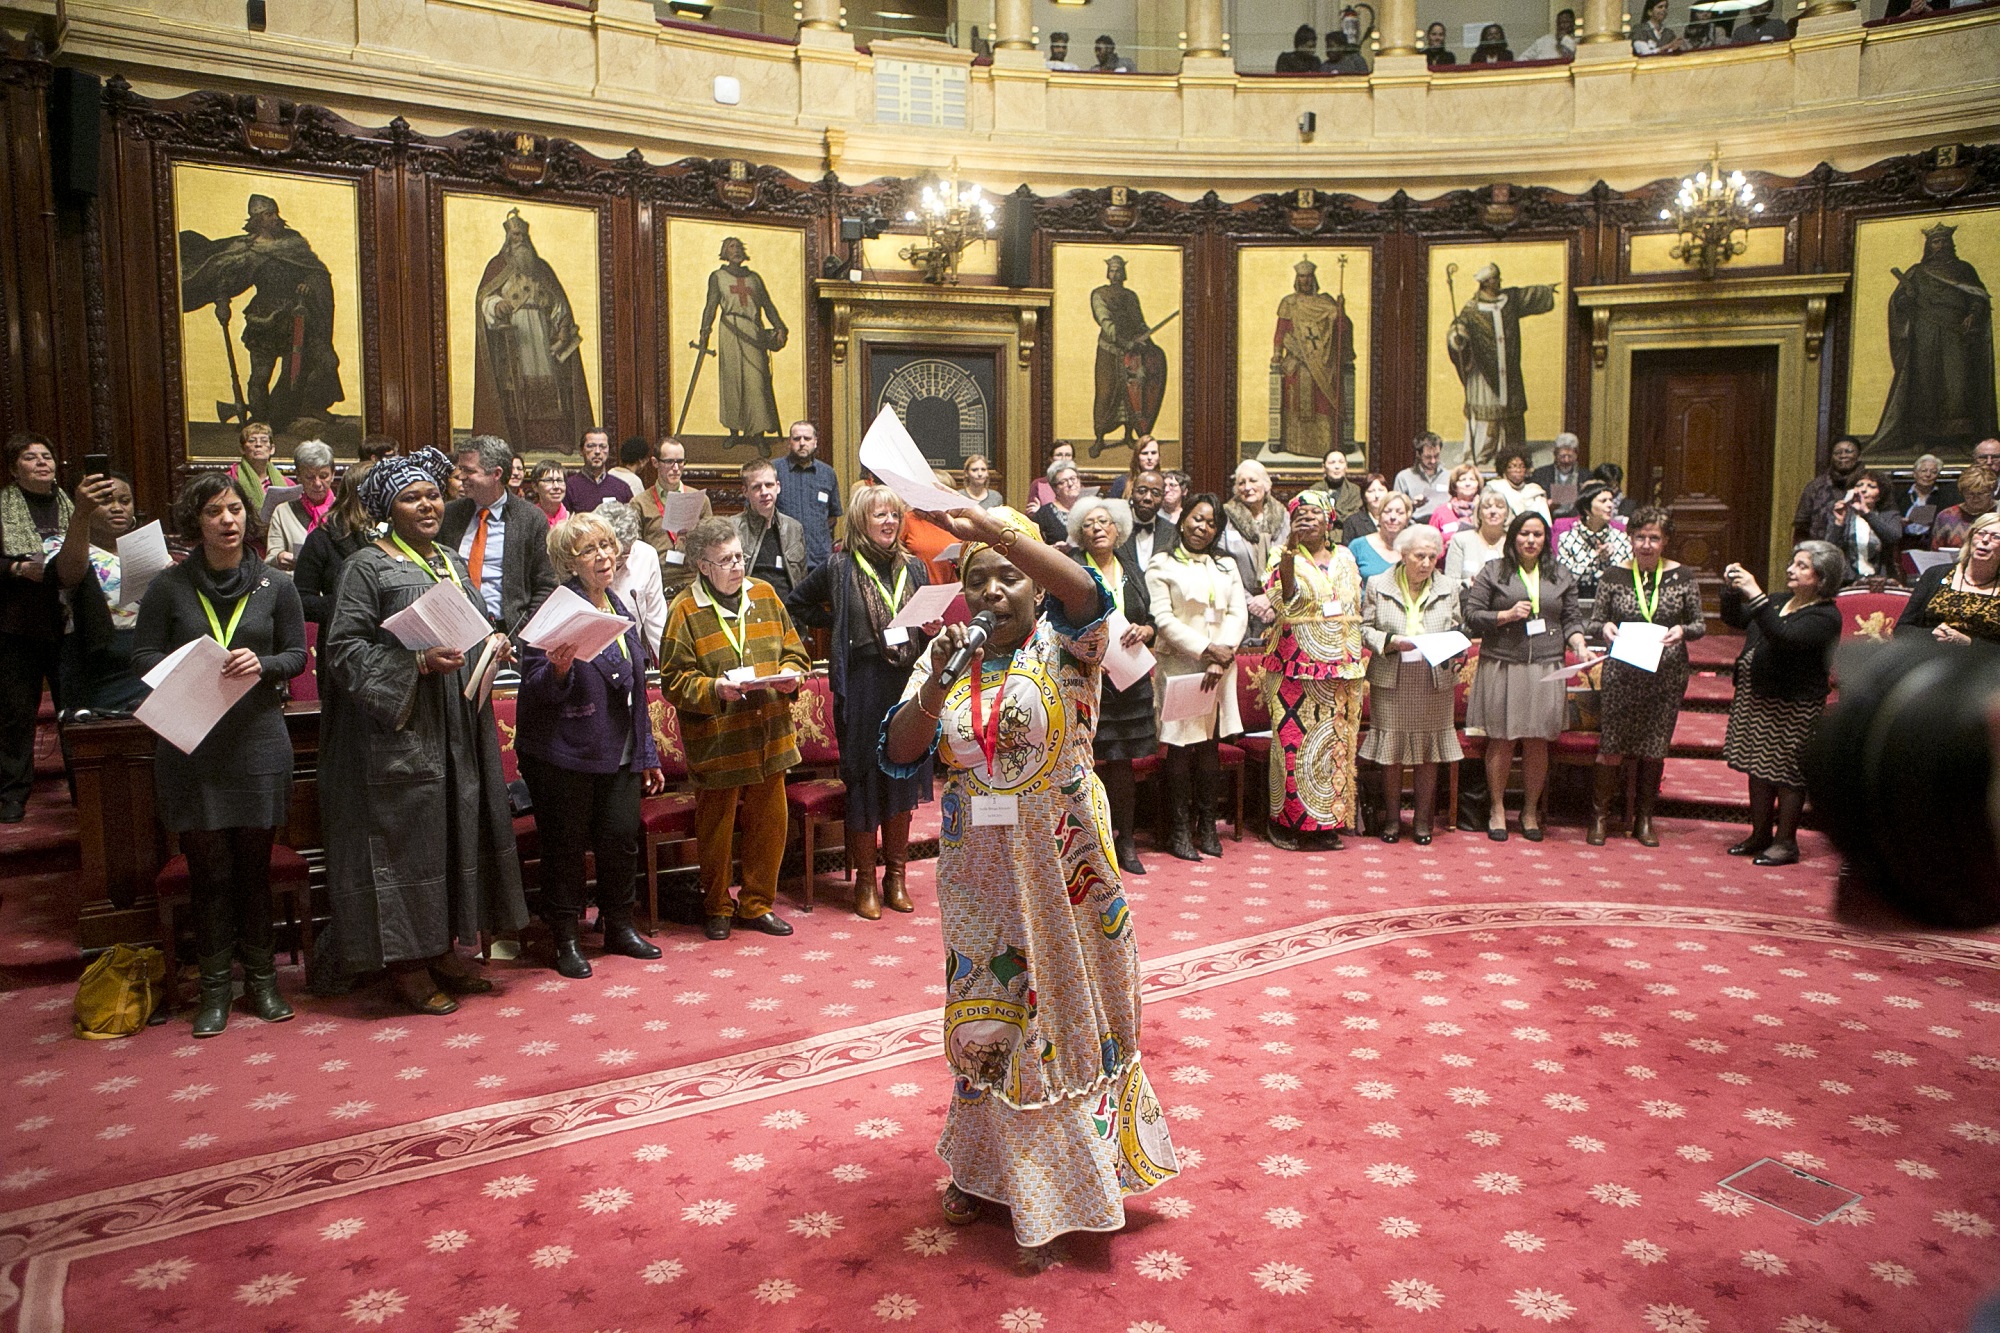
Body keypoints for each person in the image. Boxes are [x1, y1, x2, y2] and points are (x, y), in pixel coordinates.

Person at [880, 503, 1177, 1252]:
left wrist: (996, 531)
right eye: (977, 580)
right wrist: (933, 681)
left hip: (1065, 867)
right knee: (986, 1006)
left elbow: (1089, 592)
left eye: (1009, 576)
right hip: (977, 871)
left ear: (1035, 585)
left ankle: (1075, 1178)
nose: (993, 591)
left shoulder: (1070, 641)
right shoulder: (951, 652)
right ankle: (984, 1171)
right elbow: (899, 748)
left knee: (1073, 1014)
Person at [317, 448, 527, 1014]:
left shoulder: (451, 562)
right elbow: (341, 650)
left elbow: (472, 627)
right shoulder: (366, 565)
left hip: (458, 724)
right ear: (390, 508)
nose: (428, 504)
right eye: (412, 498)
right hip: (401, 732)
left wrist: (493, 643)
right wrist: (412, 664)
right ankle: (407, 964)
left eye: (433, 494)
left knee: (454, 835)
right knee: (410, 846)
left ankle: (441, 950)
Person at [132, 472, 307, 1035]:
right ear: (196, 522)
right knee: (208, 874)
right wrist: (185, 667)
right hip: (194, 741)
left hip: (256, 740)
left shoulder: (276, 584)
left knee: (253, 871)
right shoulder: (169, 586)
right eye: (215, 512)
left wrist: (264, 664)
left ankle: (262, 982)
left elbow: (297, 655)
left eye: (235, 510)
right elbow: (141, 654)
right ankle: (214, 990)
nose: (228, 520)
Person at [516, 513, 665, 978]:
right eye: (589, 551)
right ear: (569, 562)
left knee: (620, 839)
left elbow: (637, 687)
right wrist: (558, 670)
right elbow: (533, 684)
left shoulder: (619, 604)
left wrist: (646, 752)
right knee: (566, 846)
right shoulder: (557, 608)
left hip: (616, 748)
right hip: (564, 753)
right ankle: (566, 938)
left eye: (607, 546)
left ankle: (619, 925)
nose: (603, 556)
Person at [786, 485, 937, 919]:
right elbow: (796, 602)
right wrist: (839, 622)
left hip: (908, 684)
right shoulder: (839, 566)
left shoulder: (916, 568)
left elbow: (926, 625)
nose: (889, 522)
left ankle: (896, 878)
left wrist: (929, 628)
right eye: (879, 516)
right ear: (860, 522)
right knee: (866, 783)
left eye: (894, 514)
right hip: (863, 685)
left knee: (902, 780)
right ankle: (866, 885)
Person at [661, 517, 813, 940]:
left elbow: (796, 653)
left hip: (770, 733)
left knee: (770, 823)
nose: (736, 566)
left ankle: (757, 904)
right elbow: (673, 681)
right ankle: (717, 907)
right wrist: (715, 688)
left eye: (738, 556)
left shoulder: (765, 595)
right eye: (725, 560)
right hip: (719, 740)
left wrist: (790, 673)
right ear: (703, 567)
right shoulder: (683, 612)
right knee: (717, 830)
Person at [1464, 511, 1588, 841]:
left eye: (1537, 534)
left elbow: (1572, 619)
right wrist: (1504, 615)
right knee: (1502, 739)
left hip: (1547, 664)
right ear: (1513, 537)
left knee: (1537, 741)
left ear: (1546, 539)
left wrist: (1579, 644)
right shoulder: (1494, 571)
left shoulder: (1561, 574)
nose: (1530, 540)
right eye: (1524, 534)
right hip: (1504, 662)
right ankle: (1497, 808)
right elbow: (1472, 615)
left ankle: (1530, 810)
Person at [1586, 507, 1705, 846]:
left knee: (1654, 747)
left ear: (1666, 541)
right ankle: (1600, 816)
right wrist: (1605, 628)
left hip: (1666, 672)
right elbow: (1596, 621)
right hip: (1622, 671)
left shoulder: (1683, 576)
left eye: (1654, 538)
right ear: (1630, 538)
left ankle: (1644, 818)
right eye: (1640, 537)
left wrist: (1682, 630)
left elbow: (1699, 625)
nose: (1647, 545)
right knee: (1611, 746)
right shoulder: (1614, 575)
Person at [1720, 543, 1844, 867]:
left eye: (1802, 566)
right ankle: (1759, 834)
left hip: (1795, 705)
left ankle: (1786, 842)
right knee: (1758, 767)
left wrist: (1756, 595)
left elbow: (1785, 638)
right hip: (1758, 697)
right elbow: (1734, 618)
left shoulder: (1826, 616)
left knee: (1788, 774)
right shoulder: (1778, 601)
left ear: (1821, 578)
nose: (1791, 569)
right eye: (1793, 563)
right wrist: (1732, 590)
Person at [179, 195, 342, 433]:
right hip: (264, 318)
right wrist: (222, 302)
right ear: (257, 219)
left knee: (309, 366)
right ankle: (259, 420)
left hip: (297, 318)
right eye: (268, 214)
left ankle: (291, 413)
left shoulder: (294, 243)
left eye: (275, 213)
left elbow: (317, 272)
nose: (275, 218)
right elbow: (225, 278)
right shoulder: (246, 250)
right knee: (259, 377)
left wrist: (308, 283)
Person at [1261, 492, 1365, 851]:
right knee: (1292, 749)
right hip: (1294, 667)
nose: (1306, 520)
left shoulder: (1347, 557)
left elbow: (1355, 603)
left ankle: (1326, 824)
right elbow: (1283, 598)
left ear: (1329, 520)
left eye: (1313, 514)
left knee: (1333, 746)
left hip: (1341, 667)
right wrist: (1289, 551)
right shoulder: (1281, 556)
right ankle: (1285, 825)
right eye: (1299, 515)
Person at [1147, 494, 1247, 860]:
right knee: (1178, 747)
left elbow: (1238, 613)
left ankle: (1207, 826)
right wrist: (1207, 649)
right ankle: (1178, 830)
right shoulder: (1162, 563)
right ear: (1182, 519)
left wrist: (1222, 654)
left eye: (1210, 523)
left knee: (1208, 746)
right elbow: (1163, 619)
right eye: (1196, 519)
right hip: (1179, 665)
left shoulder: (1226, 565)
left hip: (1219, 667)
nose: (1202, 528)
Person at [1359, 524, 1465, 844]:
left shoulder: (1448, 585)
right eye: (1420, 556)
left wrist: (1456, 649)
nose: (1426, 563)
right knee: (1392, 753)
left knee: (1428, 752)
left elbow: (1457, 627)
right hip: (1392, 677)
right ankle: (1391, 820)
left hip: (1433, 679)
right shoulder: (1378, 583)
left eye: (1433, 557)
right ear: (1403, 555)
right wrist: (1392, 641)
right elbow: (1364, 628)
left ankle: (1422, 821)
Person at [1070, 497, 1156, 875]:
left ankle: (1126, 841)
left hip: (1130, 683)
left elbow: (1150, 619)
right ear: (1079, 534)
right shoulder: (1073, 571)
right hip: (1087, 679)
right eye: (1089, 524)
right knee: (1084, 766)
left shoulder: (1133, 571)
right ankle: (1089, 842)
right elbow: (1057, 623)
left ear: (1118, 529)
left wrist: (1147, 630)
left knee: (1123, 765)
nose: (1097, 528)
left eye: (1104, 521)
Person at [471, 209, 595, 451]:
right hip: (514, 339)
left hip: (541, 334)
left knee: (551, 385)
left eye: (522, 237)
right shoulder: (497, 267)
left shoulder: (542, 269)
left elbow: (558, 302)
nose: (520, 242)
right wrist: (497, 306)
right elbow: (485, 299)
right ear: (508, 240)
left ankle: (554, 438)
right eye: (515, 237)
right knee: (515, 386)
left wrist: (561, 325)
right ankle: (517, 439)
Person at [1871, 222, 1997, 457]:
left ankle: (1959, 437)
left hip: (1955, 333)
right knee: (1924, 384)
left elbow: (1978, 296)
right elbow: (1898, 304)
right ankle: (1923, 438)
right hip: (1924, 333)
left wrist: (1973, 313)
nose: (1940, 246)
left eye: (1943, 241)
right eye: (1935, 242)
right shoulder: (1917, 272)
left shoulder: (1964, 270)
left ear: (1951, 244)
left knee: (1956, 385)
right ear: (1929, 246)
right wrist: (1906, 298)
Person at [0, 433, 70, 822]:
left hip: (65, 623)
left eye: (47, 455)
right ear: (14, 469)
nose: (43, 462)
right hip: (16, 626)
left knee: (72, 710)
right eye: (31, 458)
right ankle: (13, 795)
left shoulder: (72, 505)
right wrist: (17, 568)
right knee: (16, 712)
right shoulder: (3, 506)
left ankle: (83, 788)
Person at [444, 435, 561, 641]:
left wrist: (522, 631)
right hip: (455, 633)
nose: (461, 477)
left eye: (469, 471)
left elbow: (545, 585)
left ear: (496, 474)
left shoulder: (530, 519)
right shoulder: (449, 515)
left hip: (508, 632)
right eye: (460, 469)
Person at [1446, 264, 1559, 465]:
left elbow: (1528, 296)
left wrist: (1546, 291)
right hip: (1483, 371)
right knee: (1486, 411)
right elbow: (1459, 326)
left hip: (1508, 370)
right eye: (1496, 279)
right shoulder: (1472, 309)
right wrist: (1457, 337)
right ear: (1486, 282)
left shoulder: (1509, 301)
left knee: (1511, 410)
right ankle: (1482, 452)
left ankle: (1511, 454)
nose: (1499, 282)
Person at [54, 470, 145, 718]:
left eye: (125, 501)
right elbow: (68, 576)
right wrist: (81, 513)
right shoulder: (59, 544)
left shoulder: (147, 545)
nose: (117, 508)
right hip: (95, 659)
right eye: (105, 501)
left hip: (146, 655)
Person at [698, 237, 790, 454]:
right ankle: (733, 432)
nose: (736, 251)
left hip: (752, 331)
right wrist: (705, 331)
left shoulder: (754, 279)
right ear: (724, 252)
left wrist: (780, 327)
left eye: (739, 247)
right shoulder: (718, 277)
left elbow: (768, 305)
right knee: (732, 381)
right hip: (729, 330)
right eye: (732, 247)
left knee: (755, 382)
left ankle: (758, 435)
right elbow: (711, 305)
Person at [292, 462, 376, 690]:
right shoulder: (322, 538)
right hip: (342, 650)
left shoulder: (396, 533)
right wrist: (354, 606)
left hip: (392, 651)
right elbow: (302, 601)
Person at [1273, 259, 1356, 459]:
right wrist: (1277, 353)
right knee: (1296, 403)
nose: (1305, 281)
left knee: (1324, 403)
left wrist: (1341, 311)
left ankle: (1325, 448)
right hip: (1297, 362)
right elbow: (1281, 331)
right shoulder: (1289, 303)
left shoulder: (1326, 302)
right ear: (1297, 279)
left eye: (1308, 277)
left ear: (1314, 278)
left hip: (1324, 365)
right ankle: (1295, 445)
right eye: (1302, 277)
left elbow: (1342, 329)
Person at [1091, 256, 1165, 453]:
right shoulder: (1099, 294)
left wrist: (1147, 339)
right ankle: (1099, 437)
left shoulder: (1131, 296)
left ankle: (1129, 435)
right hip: (1110, 350)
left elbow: (1138, 321)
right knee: (1106, 393)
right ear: (1108, 273)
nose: (1115, 274)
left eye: (1119, 270)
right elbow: (1105, 321)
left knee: (1132, 394)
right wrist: (1123, 341)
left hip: (1132, 352)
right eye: (1112, 270)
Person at [1896, 511, 2000, 646]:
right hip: (1929, 657)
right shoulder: (1934, 574)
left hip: (1982, 664)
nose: (1985, 540)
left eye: (1996, 537)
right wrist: (1932, 635)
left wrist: (1968, 642)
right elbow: (1902, 628)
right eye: (1980, 533)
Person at [1220, 459, 1289, 646]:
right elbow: (1220, 567)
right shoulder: (1224, 518)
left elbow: (1294, 563)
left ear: (1266, 485)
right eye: (1241, 483)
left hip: (1278, 609)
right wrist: (1250, 602)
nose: (1247, 487)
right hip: (1237, 608)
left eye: (1253, 481)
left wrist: (1271, 598)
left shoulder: (1284, 517)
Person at [635, 436, 713, 600]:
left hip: (693, 579)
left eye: (680, 461)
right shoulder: (639, 503)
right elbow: (636, 552)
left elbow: (710, 543)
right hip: (657, 581)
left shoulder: (699, 499)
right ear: (655, 463)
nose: (676, 468)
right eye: (669, 462)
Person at [597, 499, 668, 662]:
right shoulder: (588, 562)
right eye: (615, 554)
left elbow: (656, 618)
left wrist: (669, 667)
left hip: (630, 650)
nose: (618, 561)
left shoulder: (646, 555)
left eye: (626, 554)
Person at [733, 457, 808, 600]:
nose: (764, 492)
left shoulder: (794, 528)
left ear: (778, 487)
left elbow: (801, 579)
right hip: (749, 610)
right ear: (745, 491)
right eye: (756, 487)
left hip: (787, 612)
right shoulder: (732, 528)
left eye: (769, 485)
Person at [776, 420, 842, 574]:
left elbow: (832, 517)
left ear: (815, 442)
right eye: (797, 438)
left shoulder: (827, 473)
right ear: (789, 442)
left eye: (807, 438)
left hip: (819, 559)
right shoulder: (774, 470)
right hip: (784, 560)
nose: (802, 443)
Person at [1555, 479, 1632, 602]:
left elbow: (1628, 578)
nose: (1610, 505)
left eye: (1611, 500)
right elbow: (1566, 580)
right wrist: (1594, 557)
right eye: (1603, 501)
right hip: (1575, 602)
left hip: (1614, 601)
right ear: (1586, 508)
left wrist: (1609, 561)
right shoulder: (1567, 539)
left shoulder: (1621, 539)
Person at [266, 439, 336, 570]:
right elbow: (271, 558)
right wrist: (279, 557)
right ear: (298, 476)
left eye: (324, 476)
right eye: (310, 477)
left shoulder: (342, 509)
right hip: (296, 583)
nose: (317, 483)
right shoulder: (283, 511)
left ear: (333, 474)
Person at [1827, 470, 1904, 583]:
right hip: (1848, 581)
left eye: (1871, 486)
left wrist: (1866, 513)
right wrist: (1839, 522)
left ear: (1880, 495)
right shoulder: (1844, 514)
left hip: (1881, 580)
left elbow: (1893, 537)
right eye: (1859, 485)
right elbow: (1830, 549)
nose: (1863, 489)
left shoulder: (1890, 515)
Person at [1792, 436, 1865, 543]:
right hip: (1822, 551)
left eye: (1848, 451)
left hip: (1863, 552)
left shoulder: (1872, 484)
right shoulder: (1815, 487)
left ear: (1858, 455)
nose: (1843, 456)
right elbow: (1801, 527)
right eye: (1837, 453)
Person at [1446, 485, 1513, 582]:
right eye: (1487, 507)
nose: (1493, 511)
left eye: (1499, 507)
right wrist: (1469, 583)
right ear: (1479, 512)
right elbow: (1450, 582)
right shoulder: (1460, 540)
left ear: (1507, 513)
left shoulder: (1514, 542)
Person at [227, 421, 287, 520]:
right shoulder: (229, 480)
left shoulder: (287, 484)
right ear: (242, 449)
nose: (258, 444)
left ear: (272, 449)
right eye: (251, 441)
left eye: (264, 440)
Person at [565, 427, 632, 513]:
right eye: (591, 446)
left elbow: (630, 522)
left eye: (602, 447)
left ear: (609, 451)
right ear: (581, 451)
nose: (597, 451)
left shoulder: (622, 488)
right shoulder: (569, 487)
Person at [1349, 490, 1413, 580]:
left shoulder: (1414, 548)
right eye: (1387, 511)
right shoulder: (1358, 546)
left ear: (1407, 518)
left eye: (1400, 512)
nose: (1393, 517)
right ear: (1379, 516)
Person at [1933, 465, 1997, 550]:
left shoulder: (1998, 511)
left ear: (1992, 491)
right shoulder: (1946, 516)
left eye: (1981, 493)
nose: (1975, 498)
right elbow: (1935, 552)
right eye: (1970, 493)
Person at [1898, 453, 1954, 548]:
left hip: (1931, 543)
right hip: (1903, 542)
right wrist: (1899, 522)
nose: (1928, 475)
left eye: (1933, 472)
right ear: (1915, 474)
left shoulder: (1945, 496)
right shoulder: (1899, 495)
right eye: (1924, 471)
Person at [1124, 469, 1178, 566]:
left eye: (1155, 493)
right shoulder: (1117, 528)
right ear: (1132, 493)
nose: (1148, 498)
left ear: (1162, 498)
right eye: (1142, 491)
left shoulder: (1172, 532)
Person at [1303, 447, 1364, 524]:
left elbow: (1355, 517)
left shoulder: (1354, 490)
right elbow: (1313, 517)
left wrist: (1330, 515)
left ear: (1346, 466)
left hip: (1349, 533)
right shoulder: (1315, 490)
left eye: (1341, 462)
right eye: (1332, 462)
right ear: (1323, 467)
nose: (1337, 467)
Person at [1529, 433, 1584, 516]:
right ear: (1555, 454)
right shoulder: (1540, 474)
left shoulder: (1586, 476)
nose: (1566, 460)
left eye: (1570, 456)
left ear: (1576, 455)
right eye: (1562, 456)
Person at [1394, 432, 1448, 515]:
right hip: (1416, 524)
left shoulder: (1448, 476)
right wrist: (1412, 505)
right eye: (1428, 457)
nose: (1433, 461)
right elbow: (1396, 509)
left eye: (1436, 456)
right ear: (1418, 454)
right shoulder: (1403, 478)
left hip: (1444, 523)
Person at [1035, 461, 1085, 547]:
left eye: (1073, 478)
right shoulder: (1044, 514)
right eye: (1063, 482)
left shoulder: (1088, 509)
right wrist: (1054, 548)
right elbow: (1035, 547)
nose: (1070, 484)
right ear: (1055, 488)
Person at [1491, 447, 1551, 519]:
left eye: (1521, 466)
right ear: (1504, 469)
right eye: (1512, 466)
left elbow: (1546, 520)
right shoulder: (1495, 488)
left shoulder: (1535, 491)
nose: (1518, 470)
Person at [1429, 462, 1487, 534]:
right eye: (1462, 480)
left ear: (1478, 484)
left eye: (1472, 479)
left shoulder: (1484, 510)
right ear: (1454, 486)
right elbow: (1430, 539)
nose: (1468, 484)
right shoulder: (1441, 512)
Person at [1340, 472, 1392, 546]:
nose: (1377, 495)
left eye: (1381, 490)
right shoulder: (1353, 522)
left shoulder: (1394, 518)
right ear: (1363, 495)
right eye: (1371, 491)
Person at [1106, 435, 1160, 499]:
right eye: (1145, 453)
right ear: (1137, 456)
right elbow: (1111, 507)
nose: (1150, 457)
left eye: (1153, 453)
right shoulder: (1122, 482)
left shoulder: (1165, 483)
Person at [1027, 442, 1075, 514]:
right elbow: (1031, 513)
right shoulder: (1039, 484)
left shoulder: (1077, 485)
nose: (1064, 459)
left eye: (1068, 455)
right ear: (1051, 459)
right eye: (1059, 455)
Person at [529, 460, 570, 525]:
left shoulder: (571, 520)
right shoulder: (529, 519)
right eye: (549, 480)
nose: (556, 486)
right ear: (535, 487)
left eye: (559, 480)